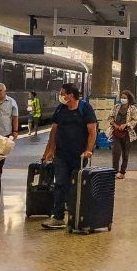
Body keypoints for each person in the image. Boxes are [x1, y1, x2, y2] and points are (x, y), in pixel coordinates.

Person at [40, 82, 97, 230]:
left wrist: (89, 150)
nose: (60, 96)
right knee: (60, 183)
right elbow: (54, 130)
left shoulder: (85, 109)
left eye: (62, 94)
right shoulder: (61, 109)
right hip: (61, 154)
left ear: (70, 95)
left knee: (75, 186)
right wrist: (50, 150)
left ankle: (75, 216)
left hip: (79, 156)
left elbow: (92, 131)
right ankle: (58, 217)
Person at [106, 90, 137, 180]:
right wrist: (115, 125)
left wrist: (126, 125)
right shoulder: (116, 107)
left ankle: (122, 172)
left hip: (127, 134)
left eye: (124, 98)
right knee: (116, 153)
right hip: (116, 133)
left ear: (129, 99)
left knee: (125, 154)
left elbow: (135, 120)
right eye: (121, 97)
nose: (122, 99)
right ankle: (115, 172)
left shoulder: (133, 109)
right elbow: (110, 118)